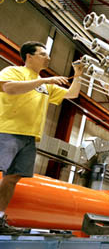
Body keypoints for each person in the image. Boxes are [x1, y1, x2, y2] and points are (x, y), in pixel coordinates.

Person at [0, 41, 84, 234]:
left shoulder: (45, 85)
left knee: (12, 178)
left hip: (30, 137)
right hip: (7, 130)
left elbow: (72, 94)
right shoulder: (14, 72)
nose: (48, 58)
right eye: (43, 54)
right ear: (29, 56)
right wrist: (43, 81)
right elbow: (9, 89)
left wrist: (78, 76)